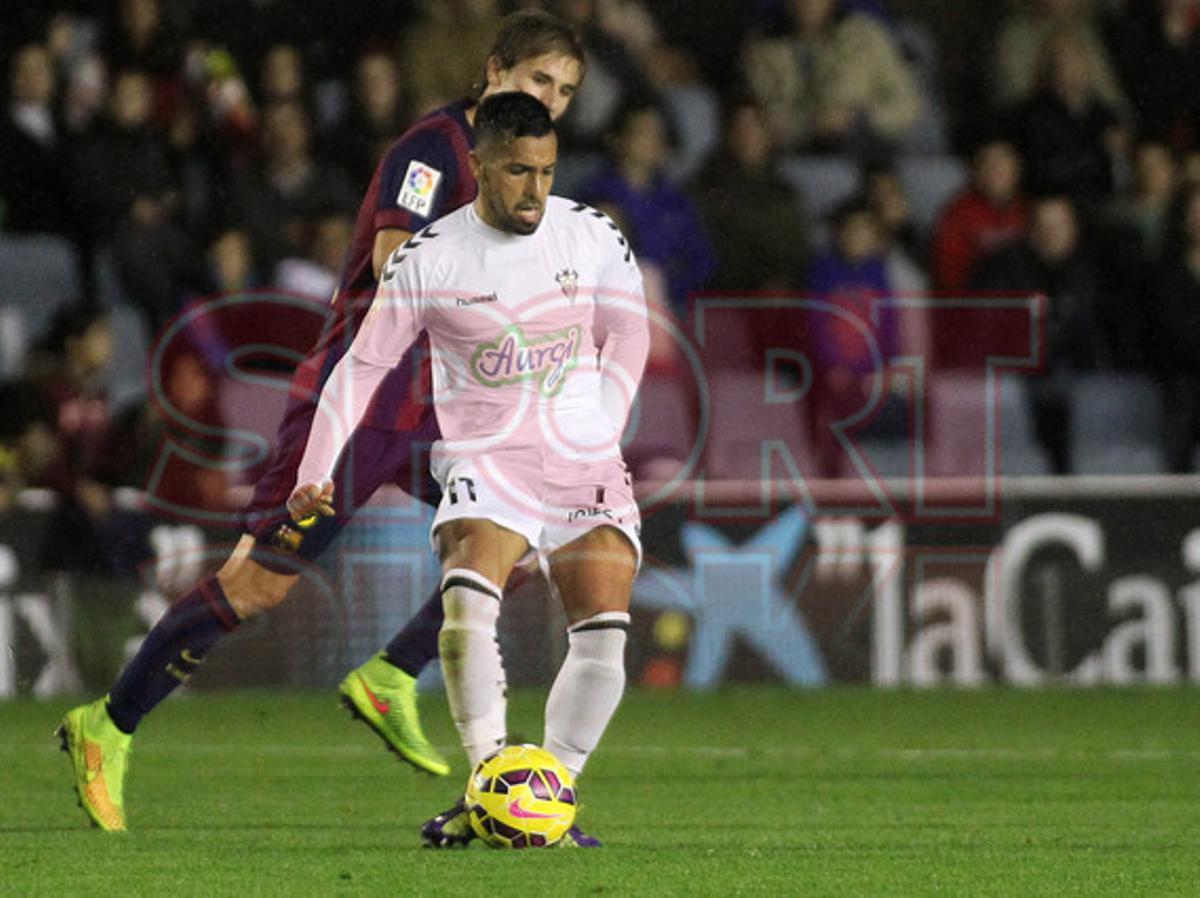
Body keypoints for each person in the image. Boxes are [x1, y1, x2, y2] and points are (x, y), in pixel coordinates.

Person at [57, 9, 586, 834]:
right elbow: (391, 261)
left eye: (565, 91)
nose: (551, 100)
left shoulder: (522, 170)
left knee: (536, 520)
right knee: (258, 584)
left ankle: (392, 676)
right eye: (538, 81)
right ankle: (109, 724)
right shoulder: (433, 149)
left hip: (435, 402)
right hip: (364, 398)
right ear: (493, 71)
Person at [289, 90, 647, 848]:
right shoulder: (433, 257)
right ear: (479, 164)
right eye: (518, 172)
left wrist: (600, 431)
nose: (535, 190)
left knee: (604, 631)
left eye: (547, 172)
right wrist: (312, 472)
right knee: (467, 610)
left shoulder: (590, 236)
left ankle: (549, 796)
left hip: (582, 458)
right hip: (489, 457)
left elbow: (630, 334)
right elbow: (361, 368)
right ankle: (488, 785)